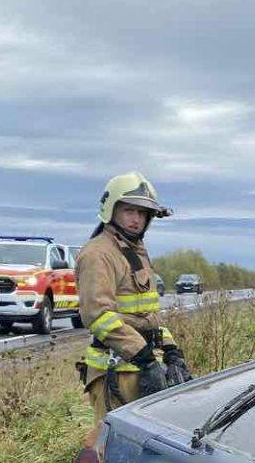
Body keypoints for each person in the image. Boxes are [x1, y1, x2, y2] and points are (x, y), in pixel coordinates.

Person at [74, 172, 192, 439]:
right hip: (114, 372)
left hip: (141, 365)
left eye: (142, 213)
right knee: (113, 446)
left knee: (147, 444)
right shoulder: (98, 254)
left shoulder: (134, 250)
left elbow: (146, 315)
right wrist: (144, 357)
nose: (136, 219)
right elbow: (98, 315)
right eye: (129, 210)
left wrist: (170, 348)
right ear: (111, 210)